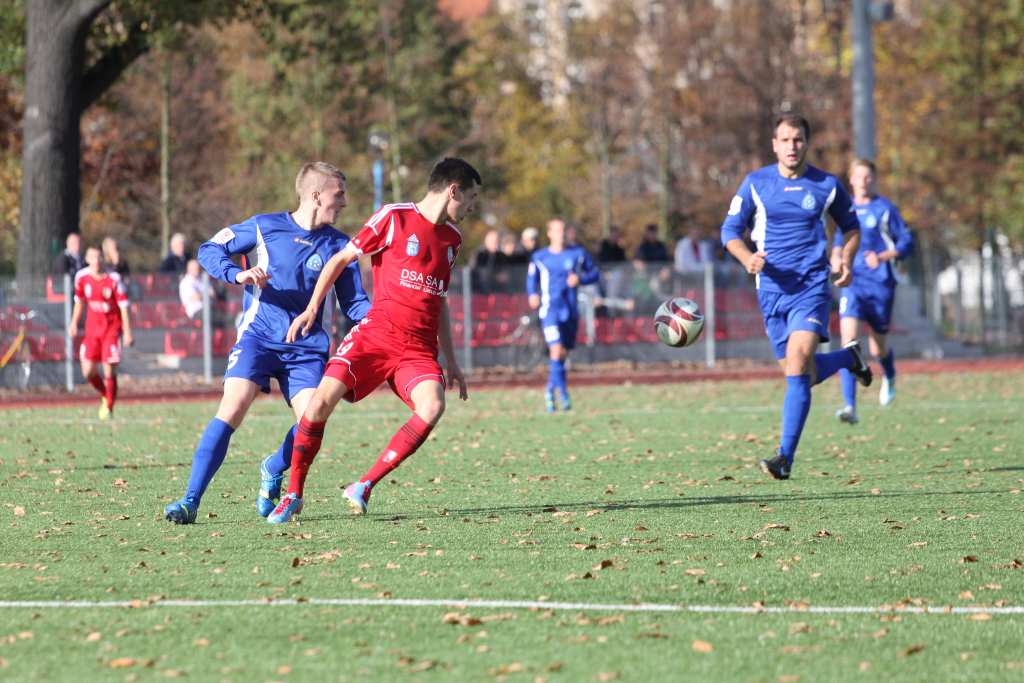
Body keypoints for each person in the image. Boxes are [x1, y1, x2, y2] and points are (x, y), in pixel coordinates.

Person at [267, 157, 479, 524]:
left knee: (432, 406)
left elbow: (439, 299)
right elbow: (339, 260)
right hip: (375, 336)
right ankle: (293, 495)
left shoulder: (453, 240)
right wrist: (312, 308)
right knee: (318, 405)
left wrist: (453, 361)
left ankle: (363, 485)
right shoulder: (393, 218)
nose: (473, 208)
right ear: (453, 190)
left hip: (418, 349)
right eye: (472, 198)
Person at [163, 162, 371, 524]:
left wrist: (385, 319)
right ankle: (189, 501)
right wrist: (238, 273)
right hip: (258, 338)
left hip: (306, 348)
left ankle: (274, 466)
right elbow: (209, 249)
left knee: (313, 418)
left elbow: (354, 303)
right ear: (316, 195)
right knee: (232, 408)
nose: (345, 203)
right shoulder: (264, 226)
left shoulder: (341, 245)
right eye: (339, 195)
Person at [720, 114, 873, 481]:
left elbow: (852, 229)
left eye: (798, 139)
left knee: (799, 359)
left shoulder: (826, 185)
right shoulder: (756, 184)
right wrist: (748, 258)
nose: (792, 146)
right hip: (771, 291)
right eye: (785, 140)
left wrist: (845, 258)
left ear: (807, 143)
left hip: (811, 286)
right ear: (774, 144)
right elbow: (729, 230)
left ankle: (784, 457)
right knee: (796, 372)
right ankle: (847, 358)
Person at [832, 159, 914, 422]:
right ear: (851, 179)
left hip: (880, 284)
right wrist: (835, 258)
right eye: (859, 177)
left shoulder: (885, 208)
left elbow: (906, 242)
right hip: (852, 283)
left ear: (873, 180)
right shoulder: (846, 208)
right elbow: (838, 241)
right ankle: (850, 407)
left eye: (868, 177)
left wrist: (882, 256)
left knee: (877, 349)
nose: (864, 181)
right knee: (849, 345)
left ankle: (888, 374)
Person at [527, 218, 600, 413]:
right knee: (556, 350)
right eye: (557, 230)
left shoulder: (577, 253)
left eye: (563, 230)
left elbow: (595, 274)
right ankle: (564, 394)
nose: (561, 234)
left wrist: (581, 279)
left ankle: (550, 390)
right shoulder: (540, 257)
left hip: (571, 311)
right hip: (550, 310)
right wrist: (532, 294)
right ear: (549, 233)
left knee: (563, 354)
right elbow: (531, 279)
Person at [68, 246, 133, 420]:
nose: (96, 261)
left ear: (103, 259)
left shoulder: (113, 279)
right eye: (92, 258)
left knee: (109, 370)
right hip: (92, 332)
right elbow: (79, 302)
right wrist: (73, 323)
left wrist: (127, 332)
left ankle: (109, 407)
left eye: (99, 258)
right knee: (87, 371)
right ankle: (106, 394)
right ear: (87, 259)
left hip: (111, 330)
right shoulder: (81, 277)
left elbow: (124, 307)